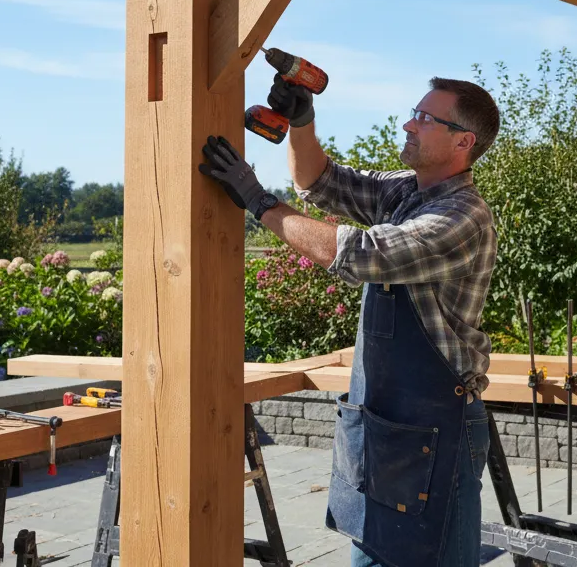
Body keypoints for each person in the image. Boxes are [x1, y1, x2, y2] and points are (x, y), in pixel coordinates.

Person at [199, 74, 501, 567]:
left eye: (426, 119)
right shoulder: (404, 193)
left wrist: (259, 202)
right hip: (385, 426)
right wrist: (302, 122)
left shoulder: (463, 216)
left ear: (463, 141)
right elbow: (319, 181)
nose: (409, 123)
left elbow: (360, 255)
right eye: (415, 112)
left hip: (438, 429)